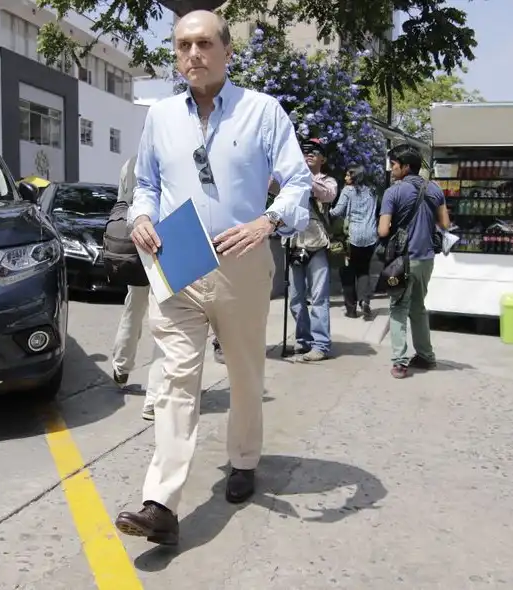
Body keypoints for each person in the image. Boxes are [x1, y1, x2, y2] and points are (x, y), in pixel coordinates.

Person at [113, 9, 312, 545]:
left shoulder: (262, 112)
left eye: (203, 44)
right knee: (176, 380)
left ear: (227, 51)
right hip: (178, 259)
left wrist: (268, 221)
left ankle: (244, 458)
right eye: (182, 46)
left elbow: (297, 181)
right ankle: (161, 503)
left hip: (242, 261)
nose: (192, 55)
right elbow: (146, 183)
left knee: (246, 373)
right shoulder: (160, 116)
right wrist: (141, 218)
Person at [378, 144, 450, 379]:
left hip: (402, 259)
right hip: (426, 259)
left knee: (398, 308)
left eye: (394, 165)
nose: (392, 170)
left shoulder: (393, 192)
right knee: (418, 308)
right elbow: (445, 225)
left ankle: (399, 362)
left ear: (406, 166)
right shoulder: (435, 189)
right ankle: (426, 356)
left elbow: (383, 229)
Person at [111, 156, 165, 421]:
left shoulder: (130, 162)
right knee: (166, 322)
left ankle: (121, 366)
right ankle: (154, 400)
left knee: (133, 309)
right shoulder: (169, 156)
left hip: (136, 244)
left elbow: (122, 204)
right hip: (164, 244)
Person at [284, 139, 336, 361]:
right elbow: (271, 187)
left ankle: (321, 344)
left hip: (317, 245)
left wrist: (302, 177)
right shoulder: (291, 178)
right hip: (294, 244)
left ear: (323, 158)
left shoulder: (328, 181)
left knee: (318, 298)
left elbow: (327, 195)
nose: (309, 154)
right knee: (295, 298)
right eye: (304, 151)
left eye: (315, 151)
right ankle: (303, 340)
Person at [330, 165, 379, 320]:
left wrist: (325, 210)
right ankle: (364, 300)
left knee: (347, 272)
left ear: (354, 177)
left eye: (347, 175)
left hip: (352, 238)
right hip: (370, 236)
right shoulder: (372, 191)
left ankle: (351, 310)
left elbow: (337, 211)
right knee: (364, 270)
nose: (345, 178)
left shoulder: (348, 191)